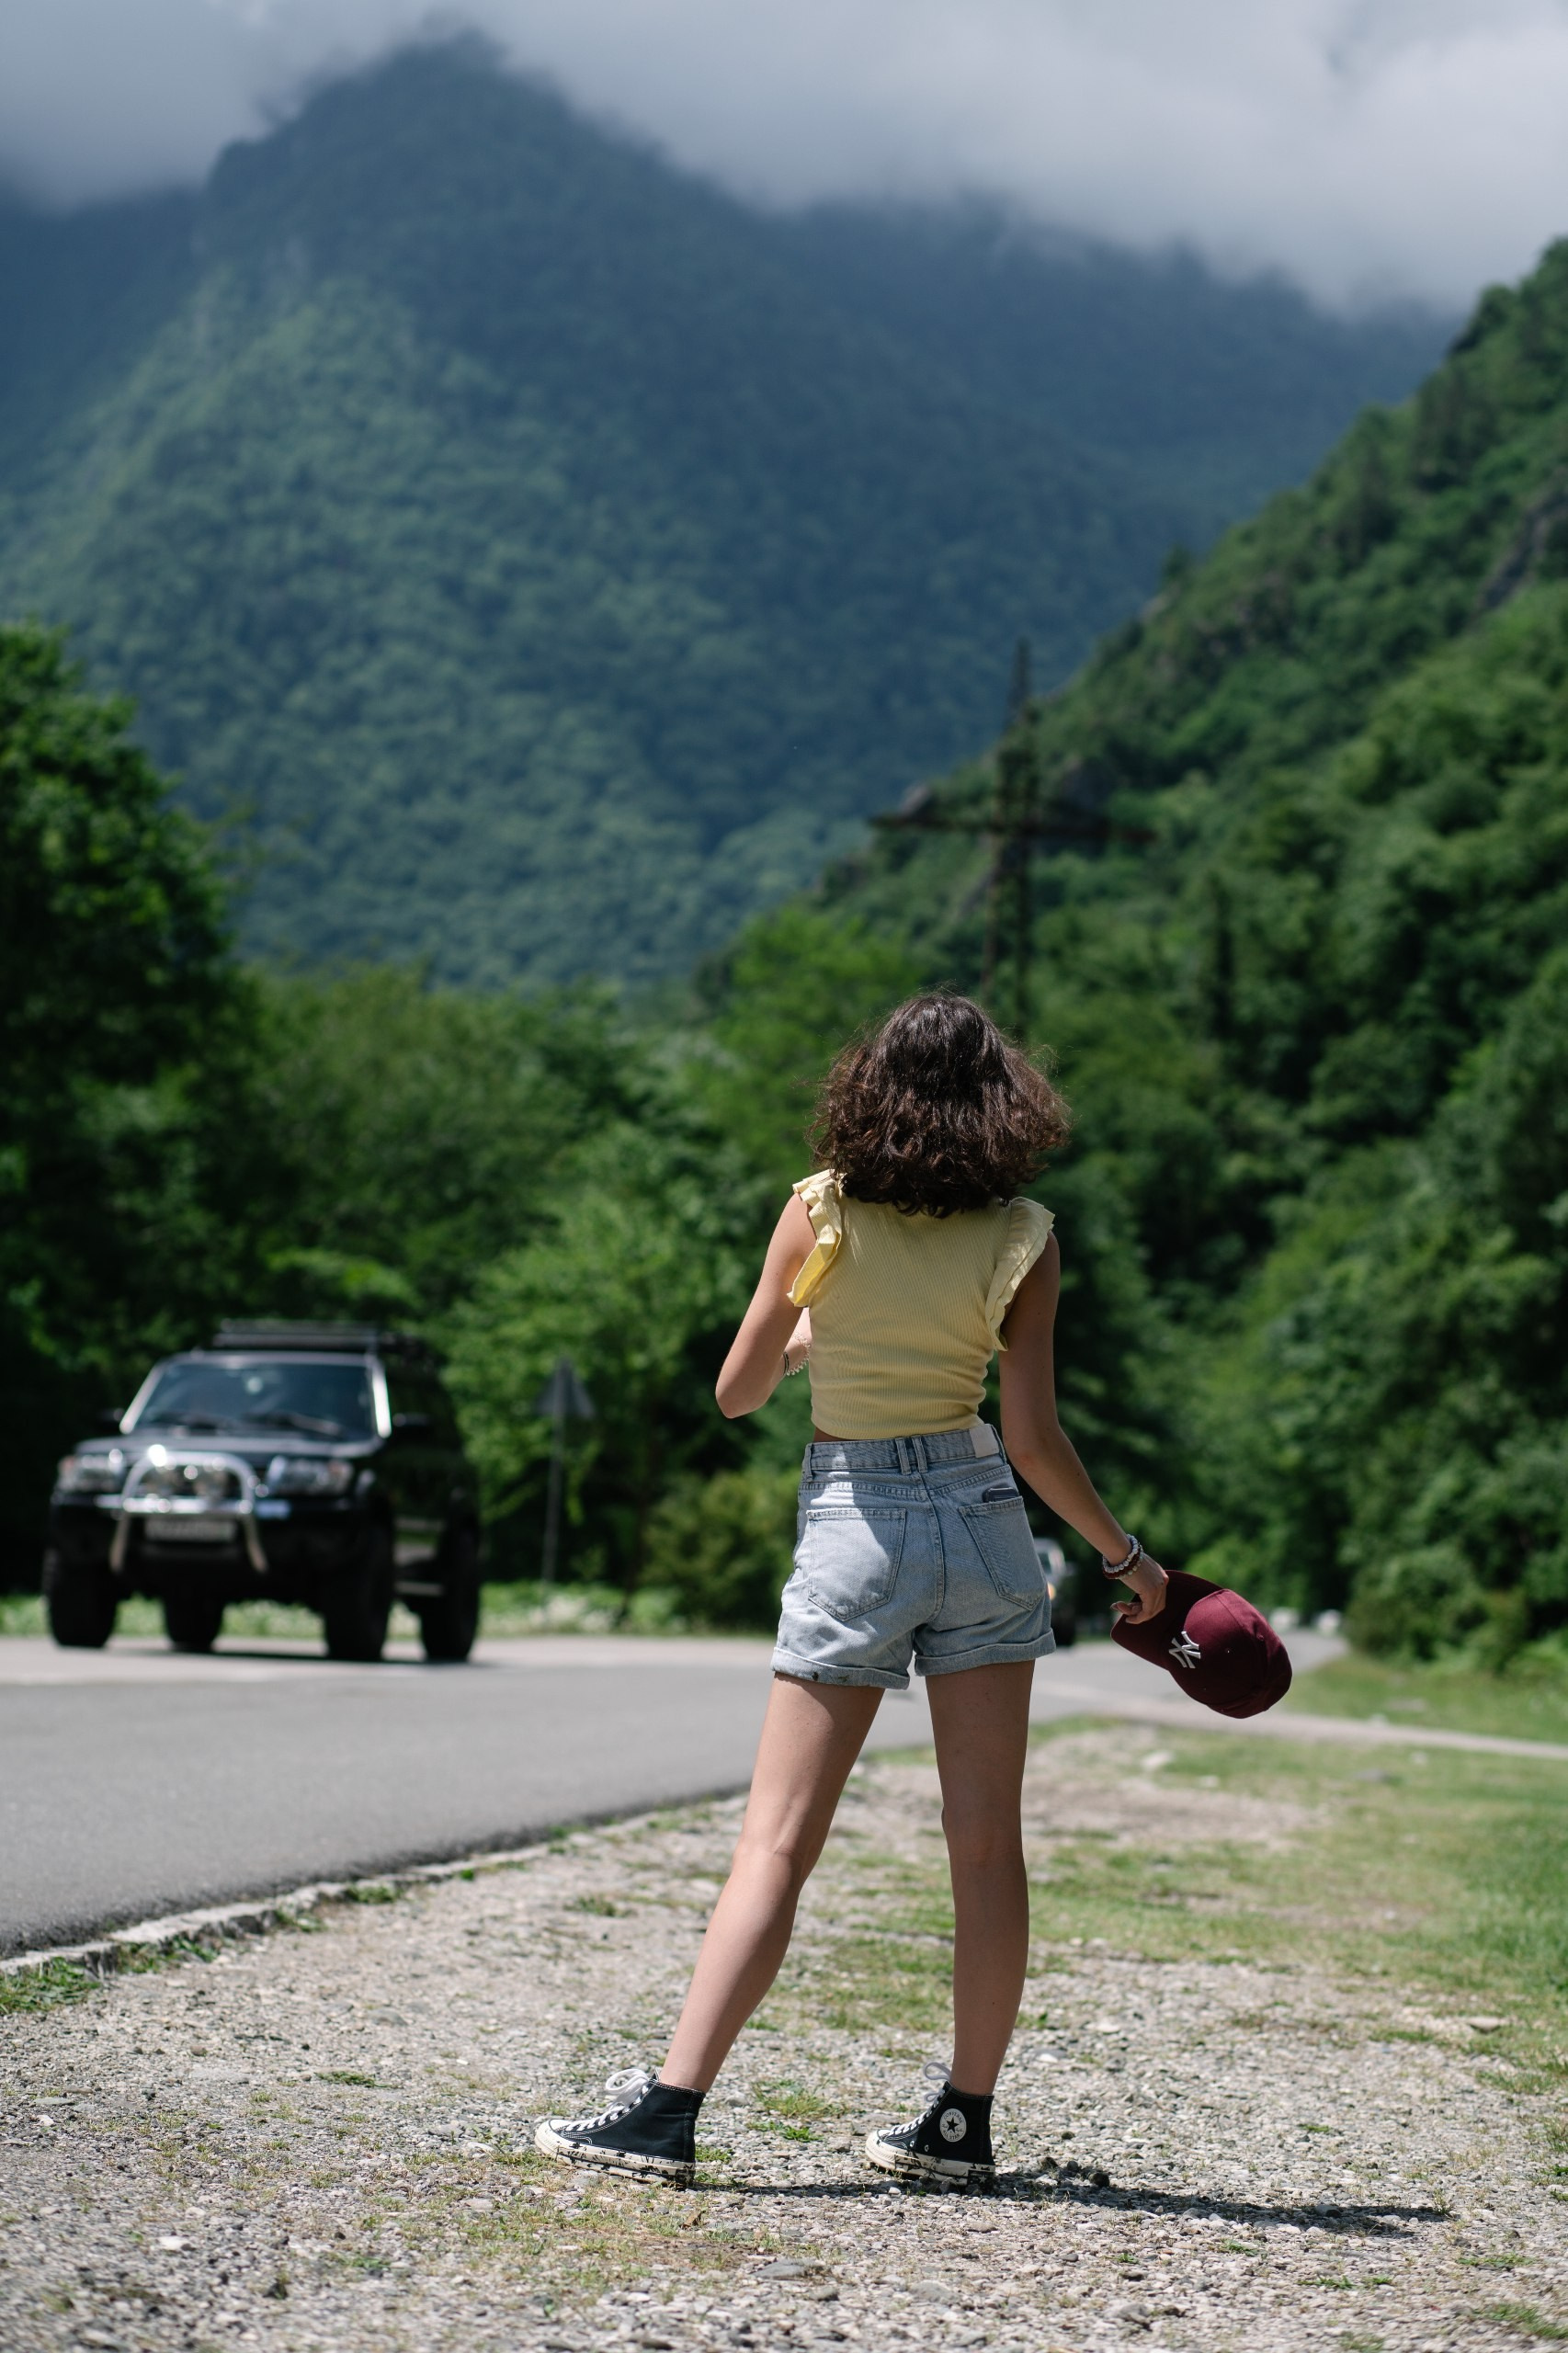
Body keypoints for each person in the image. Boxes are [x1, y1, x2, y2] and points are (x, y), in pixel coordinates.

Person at [536, 993, 1168, 2188]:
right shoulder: (1024, 1232)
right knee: (984, 1846)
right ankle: (958, 2125)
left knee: (776, 1840)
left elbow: (734, 1391)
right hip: (982, 1523)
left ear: (867, 1088)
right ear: (1001, 1100)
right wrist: (1128, 1562)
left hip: (856, 1525)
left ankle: (670, 2112)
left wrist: (817, 1339)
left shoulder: (817, 1210)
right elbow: (1032, 1438)